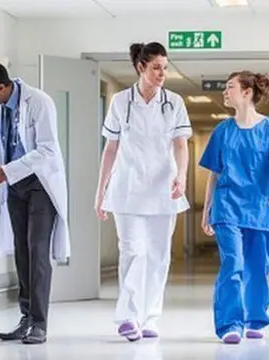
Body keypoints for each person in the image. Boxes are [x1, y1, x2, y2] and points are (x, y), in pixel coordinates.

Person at [0, 62, 69, 345]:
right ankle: (26, 318)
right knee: (21, 252)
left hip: (40, 185)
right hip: (15, 185)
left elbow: (46, 149)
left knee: (37, 252)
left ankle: (40, 323)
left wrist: (6, 171)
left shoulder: (39, 102)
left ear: (1, 87)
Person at [94, 42, 192, 341]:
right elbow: (110, 149)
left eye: (165, 67)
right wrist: (100, 191)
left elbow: (180, 144)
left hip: (164, 189)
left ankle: (150, 317)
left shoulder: (173, 102)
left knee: (159, 256)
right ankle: (128, 317)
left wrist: (182, 176)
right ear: (140, 67)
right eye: (156, 67)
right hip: (127, 188)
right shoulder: (121, 102)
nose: (162, 73)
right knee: (133, 251)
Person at [198, 71, 269, 344]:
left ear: (247, 92)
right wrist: (207, 211)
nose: (225, 92)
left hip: (260, 209)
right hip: (227, 207)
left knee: (257, 267)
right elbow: (214, 175)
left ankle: (254, 319)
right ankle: (229, 324)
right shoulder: (222, 131)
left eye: (230, 87)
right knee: (233, 262)